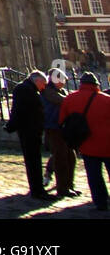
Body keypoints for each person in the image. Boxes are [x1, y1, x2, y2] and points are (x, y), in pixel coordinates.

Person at [59, 71, 110, 212]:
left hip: (87, 144)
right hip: (107, 144)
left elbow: (63, 119)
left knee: (94, 175)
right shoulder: (106, 100)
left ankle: (101, 203)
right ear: (96, 85)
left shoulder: (70, 98)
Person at [5, 70, 57, 200]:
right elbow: (18, 110)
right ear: (37, 81)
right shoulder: (24, 89)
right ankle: (37, 190)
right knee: (32, 161)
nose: (44, 87)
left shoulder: (30, 89)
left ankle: (38, 188)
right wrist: (11, 126)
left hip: (33, 130)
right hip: (29, 131)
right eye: (43, 83)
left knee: (35, 160)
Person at [41, 68, 79, 197]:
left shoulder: (60, 91)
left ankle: (69, 184)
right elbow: (63, 101)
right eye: (62, 79)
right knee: (60, 158)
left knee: (71, 157)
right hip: (54, 128)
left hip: (63, 127)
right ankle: (62, 188)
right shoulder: (48, 91)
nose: (64, 82)